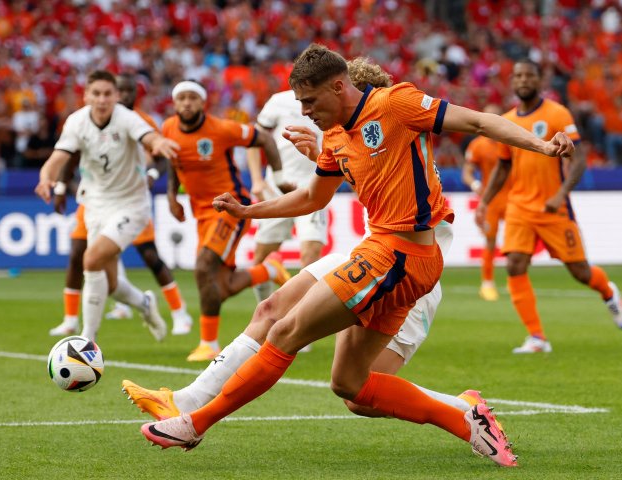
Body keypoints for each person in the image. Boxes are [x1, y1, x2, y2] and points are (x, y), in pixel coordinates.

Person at [136, 44, 574, 467]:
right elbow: (312, 196)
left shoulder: (397, 104)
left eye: (309, 101)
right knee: (348, 386)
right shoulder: (335, 137)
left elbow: (477, 121)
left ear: (339, 87)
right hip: (379, 249)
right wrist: (250, 210)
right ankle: (463, 416)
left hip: (405, 256)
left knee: (286, 330)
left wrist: (542, 146)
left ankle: (195, 422)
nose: (304, 111)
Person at [121, 58, 479, 423]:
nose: (313, 112)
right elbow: (363, 182)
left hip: (409, 280)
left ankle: (464, 410)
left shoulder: (399, 131)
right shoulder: (353, 139)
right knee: (271, 311)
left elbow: (391, 187)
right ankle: (186, 401)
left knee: (358, 395)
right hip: (371, 254)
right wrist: (322, 158)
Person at [475, 59, 622, 355]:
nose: (522, 80)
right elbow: (503, 166)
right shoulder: (506, 120)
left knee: (580, 271)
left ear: (539, 79)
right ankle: (537, 338)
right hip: (519, 206)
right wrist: (484, 201)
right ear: (512, 82)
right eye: (517, 75)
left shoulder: (557, 113)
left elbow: (579, 159)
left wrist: (560, 194)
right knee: (514, 264)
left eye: (528, 75)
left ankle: (609, 293)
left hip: (552, 208)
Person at [36, 70, 180, 343]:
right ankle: (144, 303)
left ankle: (86, 340)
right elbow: (59, 157)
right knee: (111, 284)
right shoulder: (77, 122)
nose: (102, 100)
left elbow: (149, 138)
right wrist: (46, 178)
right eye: (96, 94)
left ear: (115, 96)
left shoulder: (127, 118)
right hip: (95, 205)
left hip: (130, 205)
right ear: (86, 96)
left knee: (90, 259)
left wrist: (159, 142)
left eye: (107, 94)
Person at [162, 80, 293, 362]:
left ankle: (209, 344)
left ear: (202, 102)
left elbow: (265, 139)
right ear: (174, 103)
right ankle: (269, 269)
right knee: (221, 288)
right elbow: (173, 163)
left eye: (192, 98)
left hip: (229, 208)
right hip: (200, 214)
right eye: (181, 98)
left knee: (202, 267)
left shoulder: (221, 129)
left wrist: (280, 178)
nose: (186, 103)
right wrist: (172, 196)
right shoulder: (168, 128)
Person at [246, 86, 327, 303]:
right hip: (277, 189)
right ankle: (262, 309)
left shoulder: (332, 101)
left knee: (311, 254)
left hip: (315, 187)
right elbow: (255, 141)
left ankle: (301, 321)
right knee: (261, 259)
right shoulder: (278, 101)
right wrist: (257, 180)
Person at [461, 104, 508, 301]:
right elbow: (467, 172)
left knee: (517, 243)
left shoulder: (508, 141)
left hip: (514, 197)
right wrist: (475, 184)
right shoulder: (478, 145)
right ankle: (487, 283)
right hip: (491, 199)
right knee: (490, 240)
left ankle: (515, 281)